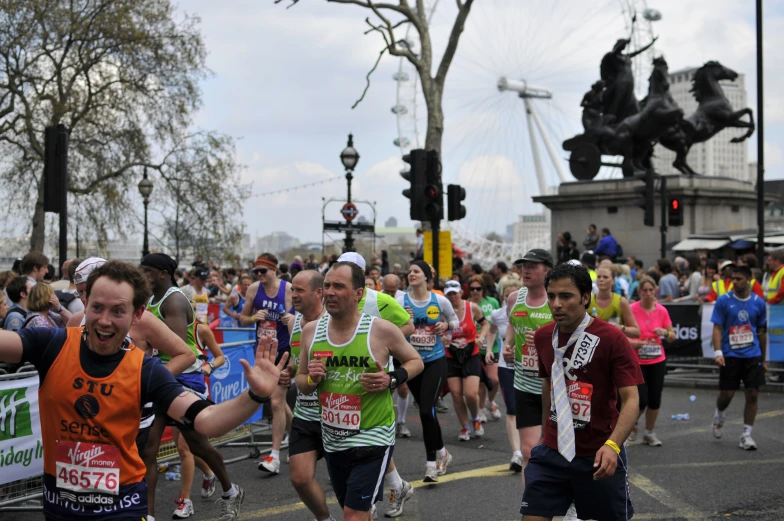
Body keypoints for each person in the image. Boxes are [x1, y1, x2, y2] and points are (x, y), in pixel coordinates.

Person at [0, 260, 287, 521]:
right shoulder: (52, 344)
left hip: (121, 508)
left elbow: (207, 420)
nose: (104, 320)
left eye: (118, 311)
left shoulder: (145, 370)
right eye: (97, 307)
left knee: (184, 446)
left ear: (137, 314)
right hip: (60, 507)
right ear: (85, 303)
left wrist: (255, 396)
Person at [295, 262, 424, 521]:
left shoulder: (380, 330)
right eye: (327, 286)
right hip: (333, 437)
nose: (330, 292)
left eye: (339, 286)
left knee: (352, 514)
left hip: (372, 436)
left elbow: (415, 362)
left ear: (358, 293)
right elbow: (301, 382)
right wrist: (312, 377)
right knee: (355, 511)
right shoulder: (311, 331)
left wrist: (391, 379)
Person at [520, 263, 643, 521]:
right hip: (553, 452)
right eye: (551, 296)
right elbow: (548, 388)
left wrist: (613, 445)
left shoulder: (611, 338)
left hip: (598, 453)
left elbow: (631, 399)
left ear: (585, 298)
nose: (556, 304)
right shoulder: (544, 337)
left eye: (566, 296)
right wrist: (545, 434)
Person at [140, 253, 244, 521]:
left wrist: (144, 342)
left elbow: (175, 346)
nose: (143, 275)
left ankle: (231, 491)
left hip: (184, 379)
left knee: (197, 447)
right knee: (149, 449)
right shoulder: (150, 299)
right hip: (159, 378)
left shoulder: (174, 300)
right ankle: (148, 515)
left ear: (163, 273)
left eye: (148, 270)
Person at [397, 262, 459, 483]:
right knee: (428, 411)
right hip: (411, 363)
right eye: (410, 271)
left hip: (435, 360)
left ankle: (431, 465)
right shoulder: (400, 301)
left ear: (426, 277)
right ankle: (443, 452)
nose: (411, 274)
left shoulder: (439, 300)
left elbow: (455, 320)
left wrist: (447, 326)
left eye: (416, 271)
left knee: (425, 410)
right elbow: (390, 326)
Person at [501, 249, 555, 491]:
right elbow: (513, 323)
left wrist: (545, 342)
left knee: (559, 450)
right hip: (524, 383)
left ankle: (571, 503)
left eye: (533, 266)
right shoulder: (514, 298)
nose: (527, 270)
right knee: (528, 452)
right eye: (524, 266)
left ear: (548, 271)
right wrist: (507, 345)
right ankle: (531, 506)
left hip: (555, 387)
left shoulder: (556, 301)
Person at [287, 270, 337, 521]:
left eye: (299, 290)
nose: (293, 295)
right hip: (305, 413)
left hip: (335, 413)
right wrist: (288, 374)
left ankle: (394, 484)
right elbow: (298, 366)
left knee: (348, 486)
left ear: (318, 293)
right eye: (292, 290)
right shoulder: (292, 322)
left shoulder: (336, 321)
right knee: (299, 477)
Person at [240, 253, 294, 474]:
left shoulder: (289, 289)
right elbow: (242, 318)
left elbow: (308, 319)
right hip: (262, 353)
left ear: (274, 270)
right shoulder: (254, 289)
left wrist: (291, 320)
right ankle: (299, 438)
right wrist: (254, 318)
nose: (259, 275)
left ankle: (274, 457)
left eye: (263, 271)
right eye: (256, 272)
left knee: (275, 402)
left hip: (283, 352)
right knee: (278, 403)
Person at [172, 323, 226, 518]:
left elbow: (220, 357)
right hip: (171, 394)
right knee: (189, 448)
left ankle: (185, 501)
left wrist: (209, 366)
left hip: (195, 396)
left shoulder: (200, 329)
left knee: (184, 448)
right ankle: (210, 473)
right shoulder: (163, 327)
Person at [711, 265, 767, 450]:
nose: (734, 282)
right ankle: (719, 413)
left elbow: (761, 331)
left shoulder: (758, 303)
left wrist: (763, 359)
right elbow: (717, 328)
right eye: (733, 279)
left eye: (738, 279)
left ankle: (746, 434)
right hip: (730, 354)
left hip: (753, 354)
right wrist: (718, 353)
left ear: (748, 280)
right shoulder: (723, 301)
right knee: (727, 394)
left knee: (752, 394)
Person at [628, 276, 674, 446]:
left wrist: (665, 332)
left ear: (655, 291)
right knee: (641, 399)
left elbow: (672, 335)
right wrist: (633, 342)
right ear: (639, 292)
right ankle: (630, 425)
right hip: (637, 361)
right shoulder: (632, 309)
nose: (648, 293)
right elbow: (622, 333)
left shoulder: (661, 311)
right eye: (644, 290)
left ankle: (649, 432)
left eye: (651, 290)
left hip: (657, 360)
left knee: (655, 399)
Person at [444, 278, 489, 440]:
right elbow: (436, 330)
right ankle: (464, 427)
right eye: (449, 294)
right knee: (456, 394)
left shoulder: (472, 308)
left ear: (461, 293)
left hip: (471, 354)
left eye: (455, 293)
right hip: (451, 355)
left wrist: (481, 338)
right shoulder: (443, 311)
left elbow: (485, 325)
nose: (453, 297)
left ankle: (476, 419)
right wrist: (442, 338)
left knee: (470, 393)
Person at [486, 280, 524, 472]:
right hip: (506, 365)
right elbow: (491, 331)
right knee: (512, 409)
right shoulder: (498, 314)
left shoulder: (529, 312)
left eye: (515, 297)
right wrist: (488, 350)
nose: (512, 302)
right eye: (508, 297)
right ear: (503, 297)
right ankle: (517, 453)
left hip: (528, 367)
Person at [468, 275, 501, 422]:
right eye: (472, 289)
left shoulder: (492, 302)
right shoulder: (467, 305)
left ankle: (490, 401)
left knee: (494, 380)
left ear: (483, 289)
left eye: (478, 288)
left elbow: (499, 321)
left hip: (492, 347)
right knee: (481, 383)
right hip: (475, 350)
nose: (476, 291)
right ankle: (481, 410)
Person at [590, 266, 640, 339]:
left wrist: (619, 327)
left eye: (605, 277)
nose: (601, 279)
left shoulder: (621, 301)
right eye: (599, 277)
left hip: (615, 346)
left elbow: (636, 332)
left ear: (613, 280)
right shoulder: (588, 301)